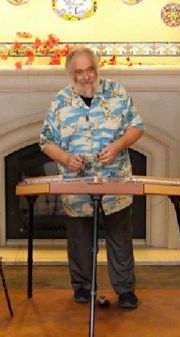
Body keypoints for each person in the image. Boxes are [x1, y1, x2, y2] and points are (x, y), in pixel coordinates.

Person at [40, 47, 144, 309]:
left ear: (97, 69)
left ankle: (126, 291)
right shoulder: (59, 102)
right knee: (79, 240)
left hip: (115, 182)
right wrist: (65, 159)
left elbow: (137, 126)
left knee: (120, 239)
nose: (86, 76)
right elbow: (45, 141)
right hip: (76, 186)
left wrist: (118, 146)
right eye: (79, 71)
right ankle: (83, 288)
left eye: (90, 69)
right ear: (70, 74)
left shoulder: (117, 92)